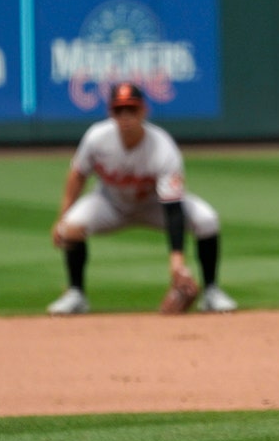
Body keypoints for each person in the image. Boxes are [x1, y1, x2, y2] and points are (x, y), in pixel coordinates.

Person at [48, 82, 238, 315]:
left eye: (132, 109)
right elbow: (78, 174)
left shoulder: (163, 147)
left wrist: (176, 261)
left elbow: (173, 207)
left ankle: (211, 292)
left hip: (154, 205)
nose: (126, 116)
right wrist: (62, 216)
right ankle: (76, 294)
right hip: (111, 204)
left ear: (144, 111)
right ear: (111, 113)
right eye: (119, 110)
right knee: (69, 229)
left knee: (207, 220)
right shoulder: (97, 138)